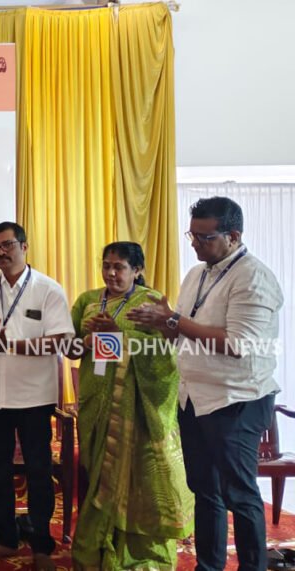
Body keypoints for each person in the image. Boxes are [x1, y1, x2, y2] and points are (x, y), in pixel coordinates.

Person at [129, 197, 283, 571]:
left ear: (233, 236)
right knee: (204, 490)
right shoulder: (197, 274)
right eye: (192, 235)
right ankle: (208, 566)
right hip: (194, 398)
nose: (195, 244)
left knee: (240, 494)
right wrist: (160, 323)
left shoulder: (253, 278)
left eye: (204, 237)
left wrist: (174, 321)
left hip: (236, 399)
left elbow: (239, 345)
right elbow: (180, 333)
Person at [68, 241, 193, 570]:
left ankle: (136, 553)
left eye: (119, 267)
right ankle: (96, 548)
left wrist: (118, 336)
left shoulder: (151, 303)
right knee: (97, 475)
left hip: (136, 411)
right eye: (106, 265)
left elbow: (165, 356)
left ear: (137, 270)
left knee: (138, 479)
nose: (111, 273)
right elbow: (70, 349)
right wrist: (87, 340)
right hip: (96, 402)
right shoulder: (88, 301)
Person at [0, 222, 74, 570]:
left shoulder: (48, 290)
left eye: (7, 245)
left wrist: (9, 343)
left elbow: (59, 341)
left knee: (39, 471)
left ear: (24, 246)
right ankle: (5, 538)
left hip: (34, 397)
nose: (1, 252)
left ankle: (42, 545)